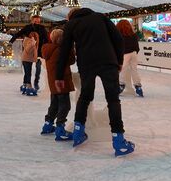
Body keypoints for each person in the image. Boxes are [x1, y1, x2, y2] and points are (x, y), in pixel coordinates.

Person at [56, 8, 135, 157]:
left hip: (86, 64)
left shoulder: (71, 24)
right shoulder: (100, 17)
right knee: (113, 100)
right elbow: (118, 38)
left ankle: (78, 132)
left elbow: (64, 50)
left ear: (70, 16)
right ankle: (119, 140)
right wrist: (118, 61)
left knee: (85, 97)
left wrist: (59, 76)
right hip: (108, 61)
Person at [41, 29, 75, 140]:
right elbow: (71, 61)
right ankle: (60, 129)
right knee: (65, 106)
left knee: (54, 105)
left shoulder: (48, 49)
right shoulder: (61, 50)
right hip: (61, 81)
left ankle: (48, 124)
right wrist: (71, 48)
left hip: (53, 82)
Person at [10, 15, 49, 92]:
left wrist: (46, 47)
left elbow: (46, 38)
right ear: (32, 21)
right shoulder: (27, 27)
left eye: (38, 21)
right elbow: (19, 33)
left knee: (38, 68)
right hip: (30, 50)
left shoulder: (42, 28)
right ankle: (27, 84)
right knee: (28, 68)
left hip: (39, 51)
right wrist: (12, 40)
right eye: (35, 21)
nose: (37, 23)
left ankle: (36, 82)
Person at [116, 20, 143, 97]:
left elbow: (118, 47)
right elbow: (137, 47)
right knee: (134, 70)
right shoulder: (133, 35)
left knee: (122, 70)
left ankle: (121, 85)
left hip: (125, 54)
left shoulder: (119, 35)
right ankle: (138, 87)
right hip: (133, 54)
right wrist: (135, 52)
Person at [21, 32, 39, 96]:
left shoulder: (27, 40)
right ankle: (29, 87)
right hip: (27, 59)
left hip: (26, 58)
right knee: (28, 73)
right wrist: (33, 43)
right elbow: (27, 49)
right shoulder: (30, 41)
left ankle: (24, 85)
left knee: (27, 73)